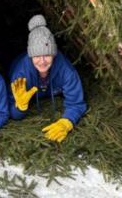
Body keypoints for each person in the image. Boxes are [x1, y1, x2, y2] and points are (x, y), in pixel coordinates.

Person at [8, 14, 87, 143]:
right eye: (37, 56)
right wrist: (19, 107)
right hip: (15, 62)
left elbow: (77, 103)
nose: (42, 61)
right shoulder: (20, 75)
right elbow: (10, 111)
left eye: (47, 55)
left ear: (54, 54)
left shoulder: (66, 71)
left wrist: (67, 121)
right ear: (30, 56)